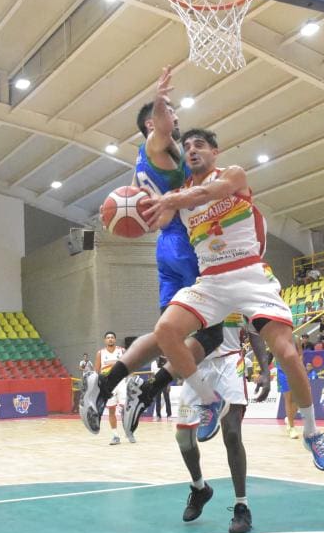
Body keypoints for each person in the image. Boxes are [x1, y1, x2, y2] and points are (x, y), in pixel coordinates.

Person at [147, 127, 324, 471]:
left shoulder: (232, 174)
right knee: (165, 331)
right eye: (186, 146)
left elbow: (212, 192)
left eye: (199, 145)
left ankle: (312, 432)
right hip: (211, 279)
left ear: (215, 151)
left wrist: (172, 200)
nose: (192, 150)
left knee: (289, 354)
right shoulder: (178, 194)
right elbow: (154, 218)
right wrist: (131, 205)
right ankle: (209, 400)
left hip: (249, 272)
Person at [80, 69, 225, 436]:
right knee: (211, 336)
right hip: (187, 247)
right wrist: (160, 97)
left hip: (166, 249)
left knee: (166, 335)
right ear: (152, 122)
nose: (175, 119)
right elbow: (160, 124)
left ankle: (107, 383)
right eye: (170, 114)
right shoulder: (157, 145)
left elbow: (141, 212)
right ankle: (151, 389)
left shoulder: (145, 165)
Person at [176, 314, 271, 533]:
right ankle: (200, 488)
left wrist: (265, 370)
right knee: (183, 437)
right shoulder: (190, 285)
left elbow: (255, 333)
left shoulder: (239, 287)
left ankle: (242, 505)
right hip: (196, 366)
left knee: (232, 434)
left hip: (230, 364)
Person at [95, 332, 130, 445]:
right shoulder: (100, 353)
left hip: (121, 383)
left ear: (115, 339)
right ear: (105, 340)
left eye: (112, 337)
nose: (110, 339)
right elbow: (97, 371)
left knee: (125, 408)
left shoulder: (122, 351)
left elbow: (129, 365)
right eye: (108, 338)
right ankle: (115, 435)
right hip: (108, 384)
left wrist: (129, 379)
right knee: (111, 410)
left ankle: (128, 430)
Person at [150, 355, 172, 420]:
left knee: (167, 399)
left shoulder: (164, 361)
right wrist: (152, 383)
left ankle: (169, 415)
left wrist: (168, 384)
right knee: (157, 400)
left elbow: (168, 373)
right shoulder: (153, 363)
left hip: (165, 381)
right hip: (157, 382)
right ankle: (158, 415)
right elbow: (152, 375)